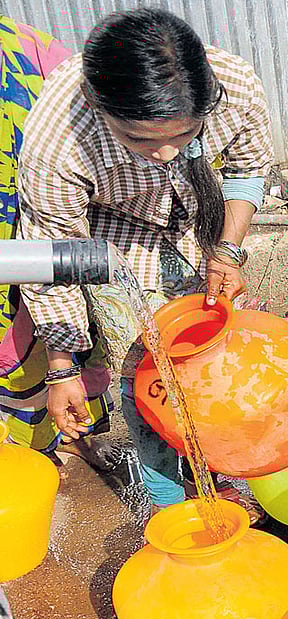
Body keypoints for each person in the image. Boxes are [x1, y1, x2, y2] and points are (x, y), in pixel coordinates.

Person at [16, 8, 274, 522]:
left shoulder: (236, 85)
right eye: (140, 140)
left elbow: (249, 167)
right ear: (98, 106)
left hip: (198, 216)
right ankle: (166, 502)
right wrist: (62, 370)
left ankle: (221, 466)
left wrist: (226, 250)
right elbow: (53, 258)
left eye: (184, 136)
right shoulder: (60, 139)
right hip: (111, 235)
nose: (165, 154)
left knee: (211, 353)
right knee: (144, 370)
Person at [0, 16, 118, 478]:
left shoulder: (30, 53)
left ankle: (71, 440)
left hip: (43, 235)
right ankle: (24, 463)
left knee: (62, 340)